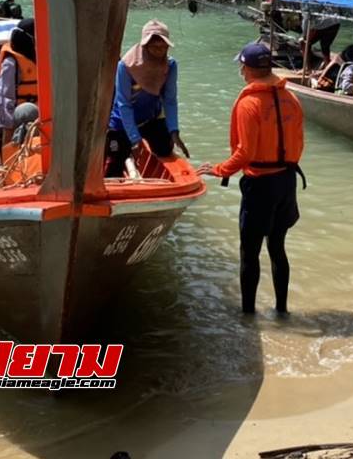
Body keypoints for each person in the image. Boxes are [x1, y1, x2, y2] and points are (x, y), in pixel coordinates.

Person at [197, 43, 305, 315]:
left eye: (241, 66)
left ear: (248, 68)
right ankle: (282, 310)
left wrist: (219, 170)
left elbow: (245, 153)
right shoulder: (291, 98)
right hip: (287, 181)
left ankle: (247, 316)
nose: (241, 71)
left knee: (250, 252)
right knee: (277, 247)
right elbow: (299, 143)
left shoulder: (249, 104)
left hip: (260, 186)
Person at [104, 20, 190, 178]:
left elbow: (170, 100)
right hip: (122, 121)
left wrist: (174, 131)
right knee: (113, 168)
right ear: (145, 46)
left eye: (164, 47)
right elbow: (124, 104)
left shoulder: (170, 65)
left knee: (164, 149)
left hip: (150, 118)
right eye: (155, 47)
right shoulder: (126, 66)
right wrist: (134, 138)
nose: (160, 52)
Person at [0, 18, 39, 142]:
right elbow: (3, 96)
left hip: (38, 121)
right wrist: (8, 127)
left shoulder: (39, 59)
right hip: (18, 124)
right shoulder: (11, 63)